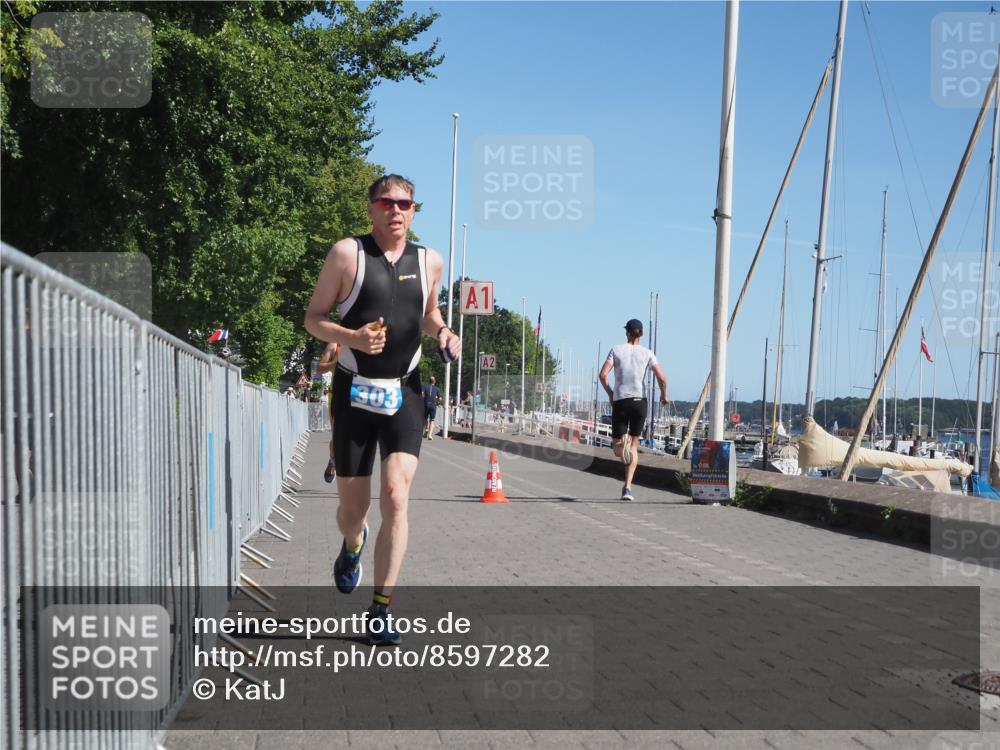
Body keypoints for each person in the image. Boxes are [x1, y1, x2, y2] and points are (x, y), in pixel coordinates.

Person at [304, 174, 460, 646]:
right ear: (371, 208)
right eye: (387, 203)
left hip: (405, 391)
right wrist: (350, 338)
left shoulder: (429, 260)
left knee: (396, 494)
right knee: (353, 511)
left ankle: (381, 609)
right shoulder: (347, 254)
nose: (396, 211)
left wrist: (444, 333)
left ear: (415, 210)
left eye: (406, 204)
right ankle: (353, 544)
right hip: (354, 390)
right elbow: (313, 318)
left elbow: (429, 313)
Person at [598, 318, 669, 501]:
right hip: (640, 402)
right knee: (634, 446)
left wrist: (610, 393)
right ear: (642, 334)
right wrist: (663, 395)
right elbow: (662, 378)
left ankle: (625, 456)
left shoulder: (616, 350)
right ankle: (628, 487)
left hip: (621, 401)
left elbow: (603, 375)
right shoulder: (648, 353)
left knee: (617, 448)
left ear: (627, 333)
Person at [316, 342, 341, 481]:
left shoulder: (366, 341)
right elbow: (319, 368)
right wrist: (335, 363)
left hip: (360, 397)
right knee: (338, 438)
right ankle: (333, 461)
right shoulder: (334, 345)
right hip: (338, 396)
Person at [422, 375, 440, 439]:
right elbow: (439, 398)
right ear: (434, 382)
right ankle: (430, 435)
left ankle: (426, 428)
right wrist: (437, 400)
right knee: (432, 420)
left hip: (426, 404)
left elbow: (422, 394)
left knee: (425, 418)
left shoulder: (424, 386)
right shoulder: (437, 388)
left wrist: (424, 398)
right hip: (433, 405)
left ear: (429, 381)